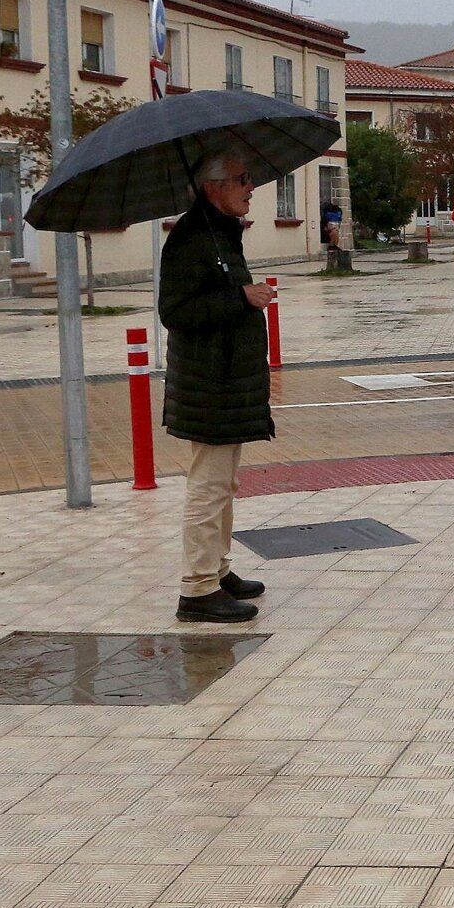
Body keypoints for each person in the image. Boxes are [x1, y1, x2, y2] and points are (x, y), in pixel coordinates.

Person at [159, 148, 276, 623]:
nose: (251, 187)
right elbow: (176, 312)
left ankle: (217, 569)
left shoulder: (218, 233)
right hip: (209, 382)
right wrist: (241, 298)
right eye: (241, 178)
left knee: (223, 482)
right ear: (213, 187)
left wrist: (239, 297)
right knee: (207, 485)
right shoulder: (190, 239)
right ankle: (197, 588)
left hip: (227, 380)